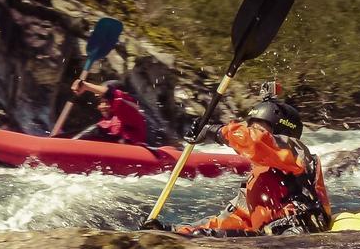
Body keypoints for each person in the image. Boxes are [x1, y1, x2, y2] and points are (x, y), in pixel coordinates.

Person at [166, 85, 331, 236]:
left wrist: (214, 131)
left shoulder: (296, 152)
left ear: (282, 131)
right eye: (250, 127)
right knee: (202, 237)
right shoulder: (257, 177)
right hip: (269, 239)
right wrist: (178, 232)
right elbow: (234, 219)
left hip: (300, 235)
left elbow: (257, 142)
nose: (251, 131)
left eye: (258, 129)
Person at [70, 79, 148, 145]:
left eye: (107, 102)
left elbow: (116, 97)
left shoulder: (132, 114)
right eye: (101, 103)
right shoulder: (103, 125)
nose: (102, 107)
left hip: (134, 157)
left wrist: (86, 86)